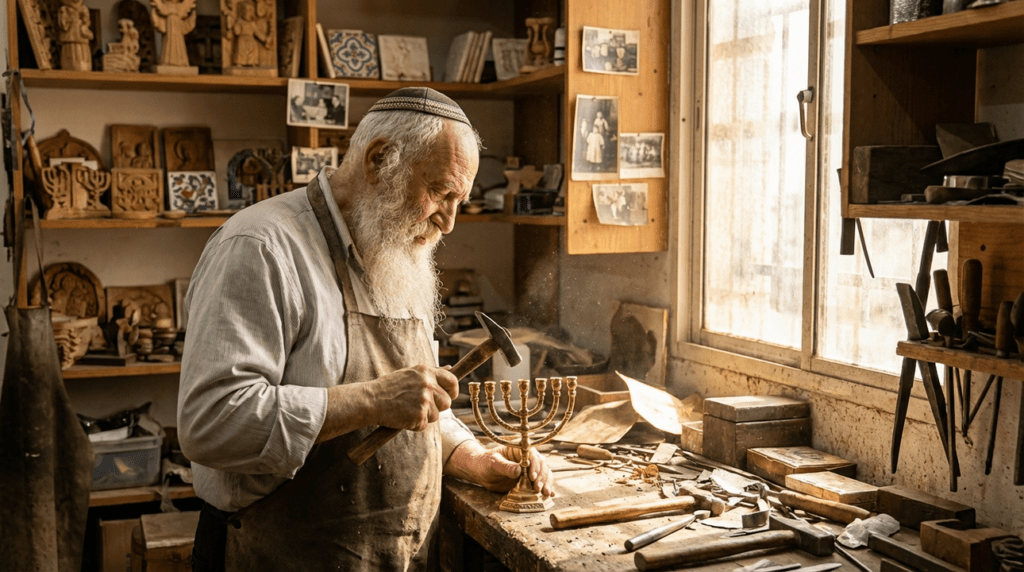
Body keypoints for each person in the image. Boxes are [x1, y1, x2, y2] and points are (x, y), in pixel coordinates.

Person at [178, 86, 554, 572]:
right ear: (380, 160)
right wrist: (372, 400)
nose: (451, 222)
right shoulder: (261, 246)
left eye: (460, 200)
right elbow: (211, 422)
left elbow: (416, 403)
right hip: (279, 555)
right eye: (441, 193)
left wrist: (473, 457)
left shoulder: (396, 250)